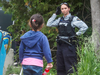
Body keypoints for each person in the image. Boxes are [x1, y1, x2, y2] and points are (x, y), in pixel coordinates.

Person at [47, 2, 88, 75]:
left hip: (69, 46)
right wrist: (55, 14)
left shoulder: (73, 19)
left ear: (69, 9)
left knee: (70, 66)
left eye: (65, 8)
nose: (64, 10)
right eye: (62, 9)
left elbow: (84, 27)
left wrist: (76, 34)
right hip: (60, 46)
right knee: (60, 66)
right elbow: (49, 24)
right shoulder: (60, 19)